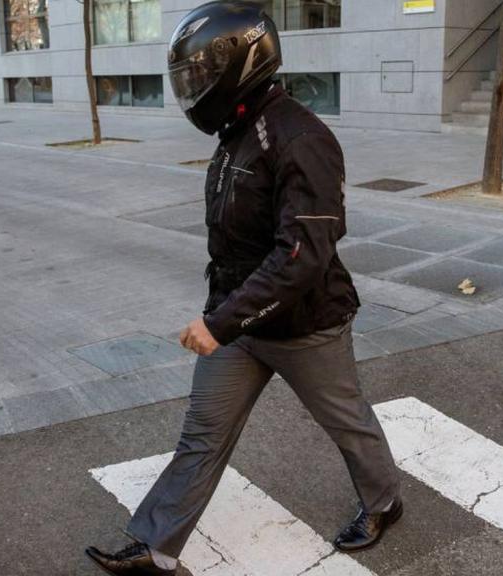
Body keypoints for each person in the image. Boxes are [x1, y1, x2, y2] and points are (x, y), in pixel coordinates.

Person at [84, 4, 402, 575]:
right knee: (202, 435)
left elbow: (302, 255)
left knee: (346, 422)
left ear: (240, 65)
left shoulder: (302, 138)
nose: (193, 88)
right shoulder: (237, 129)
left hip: (305, 325)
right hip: (238, 322)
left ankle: (384, 502)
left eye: (200, 74)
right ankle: (156, 549)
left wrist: (219, 323)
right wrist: (226, 315)